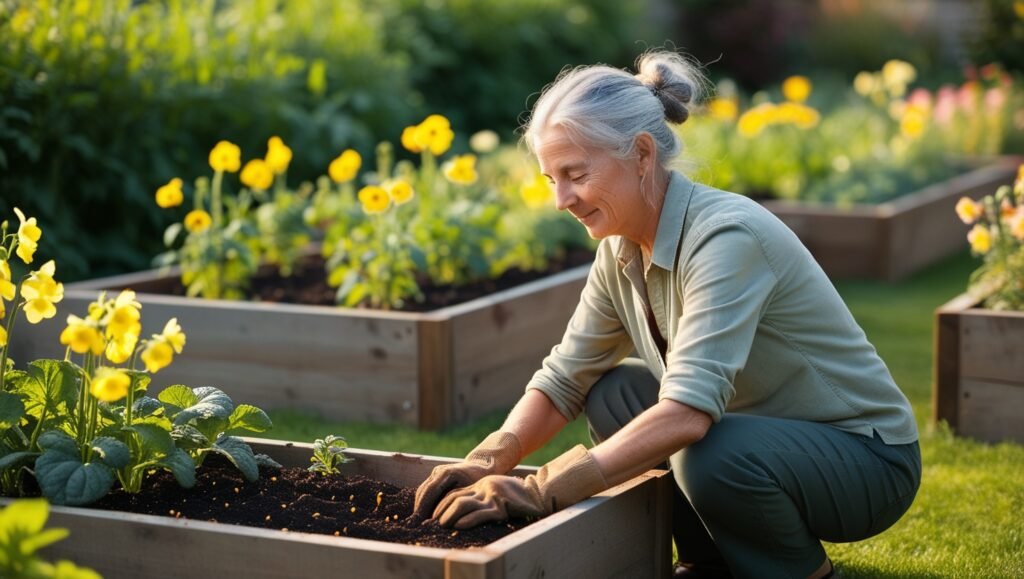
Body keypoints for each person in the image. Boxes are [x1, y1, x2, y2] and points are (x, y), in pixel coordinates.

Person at [412, 51, 921, 579]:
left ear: (641, 154)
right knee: (615, 393)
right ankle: (710, 562)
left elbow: (688, 413)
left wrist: (541, 489)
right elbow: (566, 378)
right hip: (763, 436)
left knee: (709, 450)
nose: (561, 199)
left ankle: (799, 573)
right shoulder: (621, 246)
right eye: (550, 179)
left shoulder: (726, 238)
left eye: (575, 174)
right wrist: (490, 459)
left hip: (866, 462)